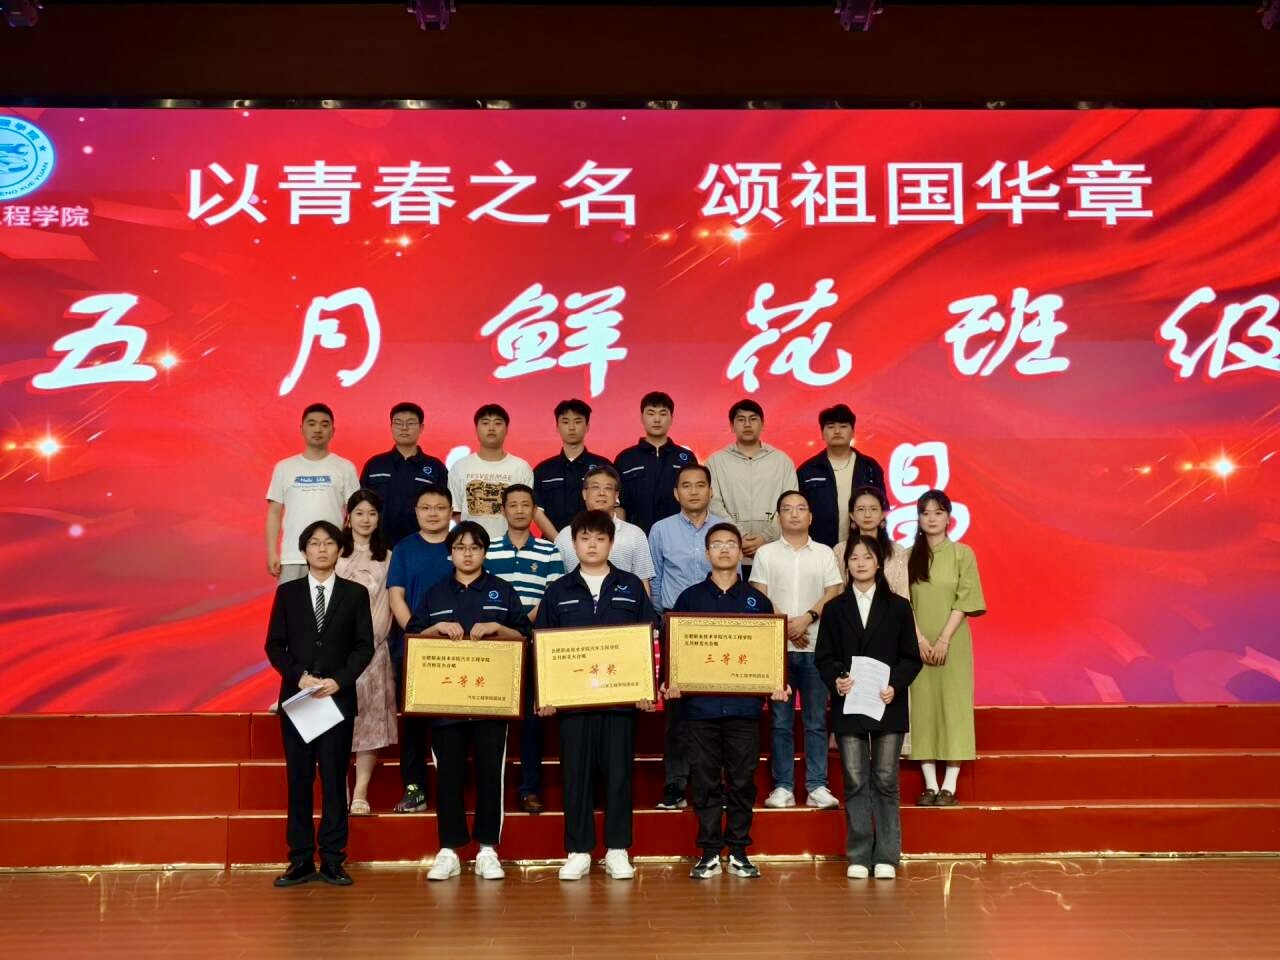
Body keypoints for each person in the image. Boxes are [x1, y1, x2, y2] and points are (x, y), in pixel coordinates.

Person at [535, 510, 659, 882]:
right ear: (573, 544)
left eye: (600, 538)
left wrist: (646, 688)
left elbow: (648, 637)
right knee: (576, 776)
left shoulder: (631, 586)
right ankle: (578, 851)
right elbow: (542, 644)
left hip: (620, 702)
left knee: (619, 775)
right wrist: (545, 694)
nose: (592, 545)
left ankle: (618, 849)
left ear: (611, 543)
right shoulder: (558, 589)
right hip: (572, 704)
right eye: (585, 538)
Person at [406, 521, 533, 881]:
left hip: (492, 703)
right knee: (448, 776)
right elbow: (413, 637)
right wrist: (435, 629)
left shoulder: (502, 590)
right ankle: (449, 849)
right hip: (445, 704)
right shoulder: (434, 593)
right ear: (450, 553)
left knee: (491, 774)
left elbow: (525, 635)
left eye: (475, 547)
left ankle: (488, 849)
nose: (467, 554)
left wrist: (498, 628)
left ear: (484, 553)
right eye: (460, 547)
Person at [663, 522, 789, 880]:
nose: (723, 549)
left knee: (742, 780)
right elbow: (675, 649)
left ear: (740, 551)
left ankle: (738, 851)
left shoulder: (757, 601)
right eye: (716, 544)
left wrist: (776, 683)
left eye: (730, 544)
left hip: (743, 709)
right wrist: (670, 682)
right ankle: (708, 852)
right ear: (707, 553)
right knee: (704, 781)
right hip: (700, 709)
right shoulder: (689, 599)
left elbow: (768, 652)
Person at [264, 519, 374, 887]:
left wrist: (338, 680)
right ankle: (299, 859)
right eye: (314, 543)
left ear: (340, 549)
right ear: (304, 550)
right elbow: (274, 645)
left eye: (329, 543)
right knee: (299, 780)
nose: (322, 549)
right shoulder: (288, 593)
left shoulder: (355, 593)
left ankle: (332, 858)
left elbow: (363, 647)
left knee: (333, 780)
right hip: (299, 699)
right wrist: (299, 677)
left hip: (335, 700)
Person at [815, 535, 922, 880]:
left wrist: (896, 685)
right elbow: (824, 657)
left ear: (879, 563)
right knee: (855, 779)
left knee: (887, 779)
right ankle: (859, 854)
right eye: (854, 558)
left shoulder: (899, 607)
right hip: (849, 704)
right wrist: (837, 679)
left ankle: (887, 855)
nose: (860, 563)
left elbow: (911, 658)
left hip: (887, 702)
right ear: (846, 565)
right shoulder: (835, 609)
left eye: (867, 557)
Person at [750, 490, 843, 810]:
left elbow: (834, 591)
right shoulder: (766, 553)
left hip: (816, 648)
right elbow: (760, 594)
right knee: (780, 721)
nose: (794, 514)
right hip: (778, 649)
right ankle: (783, 787)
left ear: (810, 517)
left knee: (816, 720)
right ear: (778, 517)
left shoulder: (824, 553)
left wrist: (807, 619)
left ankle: (817, 785)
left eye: (801, 508)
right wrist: (787, 624)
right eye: (787, 509)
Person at [647, 463, 729, 811]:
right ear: (676, 492)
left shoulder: (724, 529)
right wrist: (662, 620)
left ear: (711, 491)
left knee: (717, 708)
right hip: (676, 625)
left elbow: (733, 577)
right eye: (686, 485)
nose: (694, 491)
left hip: (718, 627)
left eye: (700, 485)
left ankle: (712, 784)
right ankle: (675, 784)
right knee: (678, 709)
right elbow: (654, 579)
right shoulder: (661, 529)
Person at [485, 483, 565, 814]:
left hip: (532, 643)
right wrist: (502, 629)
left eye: (525, 505)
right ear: (502, 510)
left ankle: (529, 788)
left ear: (534, 511)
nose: (519, 510)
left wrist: (518, 626)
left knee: (533, 721)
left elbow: (551, 596)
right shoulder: (488, 549)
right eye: (513, 505)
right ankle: (492, 788)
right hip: (492, 646)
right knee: (492, 719)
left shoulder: (549, 551)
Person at [907, 489, 987, 807]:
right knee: (921, 706)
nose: (931, 518)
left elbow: (965, 599)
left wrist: (943, 639)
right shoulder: (908, 556)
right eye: (925, 513)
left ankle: (949, 784)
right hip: (916, 644)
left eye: (938, 512)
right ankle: (930, 784)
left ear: (948, 518)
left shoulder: (962, 554)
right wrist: (919, 640)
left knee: (953, 705)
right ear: (918, 518)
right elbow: (903, 602)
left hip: (953, 642)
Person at [386, 484, 455, 814]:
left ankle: (450, 788)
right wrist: (416, 634)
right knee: (413, 723)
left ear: (451, 511)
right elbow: (396, 596)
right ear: (416, 512)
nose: (433, 514)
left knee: (452, 724)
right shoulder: (404, 548)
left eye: (440, 508)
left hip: (458, 650)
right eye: (426, 508)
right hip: (414, 648)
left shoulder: (462, 545)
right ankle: (414, 788)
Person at [335, 490, 397, 816]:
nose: (365, 519)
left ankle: (360, 791)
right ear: (349, 516)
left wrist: (371, 642)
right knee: (338, 721)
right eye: (359, 513)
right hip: (336, 654)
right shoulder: (334, 553)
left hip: (373, 650)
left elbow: (388, 604)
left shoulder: (388, 557)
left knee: (370, 721)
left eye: (372, 513)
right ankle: (339, 788)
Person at [265, 403, 360, 583]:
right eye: (311, 423)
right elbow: (274, 512)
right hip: (293, 557)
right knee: (291, 602)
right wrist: (271, 552)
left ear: (333, 431)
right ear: (301, 429)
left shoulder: (345, 467)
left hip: (334, 557)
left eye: (324, 424)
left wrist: (351, 552)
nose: (317, 429)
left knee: (335, 602)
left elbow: (355, 513)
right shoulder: (284, 468)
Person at [706, 399, 797, 572]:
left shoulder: (782, 460)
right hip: (731, 555)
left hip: (775, 552)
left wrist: (765, 537)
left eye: (753, 419)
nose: (747, 424)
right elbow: (714, 503)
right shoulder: (716, 461)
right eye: (741, 419)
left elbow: (790, 504)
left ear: (763, 424)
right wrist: (738, 535)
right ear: (732, 426)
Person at [359, 402, 449, 547]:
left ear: (421, 428)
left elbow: (444, 510)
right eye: (398, 423)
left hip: (422, 545)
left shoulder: (435, 467)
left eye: (410, 423)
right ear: (391, 427)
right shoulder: (375, 464)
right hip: (378, 546)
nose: (404, 428)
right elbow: (361, 506)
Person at [796, 404, 887, 548]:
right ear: (822, 433)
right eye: (831, 427)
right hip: (819, 548)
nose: (837, 431)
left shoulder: (869, 467)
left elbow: (882, 508)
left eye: (843, 426)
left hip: (864, 548)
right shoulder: (808, 470)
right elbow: (799, 511)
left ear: (853, 432)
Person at [552, 465, 656, 590]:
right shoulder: (565, 535)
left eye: (608, 488)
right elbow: (556, 583)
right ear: (584, 494)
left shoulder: (635, 534)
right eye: (595, 487)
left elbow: (643, 583)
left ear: (616, 495)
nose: (601, 493)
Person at [448, 403, 540, 540]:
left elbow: (527, 510)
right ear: (476, 429)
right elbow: (456, 511)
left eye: (498, 423)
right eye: (485, 423)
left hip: (510, 544)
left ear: (506, 429)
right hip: (472, 545)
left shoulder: (520, 467)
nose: (491, 428)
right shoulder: (460, 467)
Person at [614, 391, 698, 534]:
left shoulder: (686, 458)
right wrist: (623, 537)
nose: (657, 419)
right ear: (642, 417)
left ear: (671, 418)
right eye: (651, 413)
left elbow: (695, 500)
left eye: (663, 414)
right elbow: (617, 503)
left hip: (678, 535)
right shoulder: (625, 458)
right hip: (637, 536)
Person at [533, 398, 614, 538]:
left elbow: (615, 507)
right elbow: (537, 512)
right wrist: (559, 541)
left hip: (594, 544)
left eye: (577, 422)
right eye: (565, 422)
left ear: (587, 426)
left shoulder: (603, 466)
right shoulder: (543, 470)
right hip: (553, 545)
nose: (571, 427)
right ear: (557, 427)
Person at [833, 485, 910, 598]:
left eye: (873, 509)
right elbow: (838, 594)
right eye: (861, 509)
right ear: (852, 515)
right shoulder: (840, 551)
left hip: (890, 608)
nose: (867, 515)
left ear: (883, 514)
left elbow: (903, 595)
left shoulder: (897, 551)